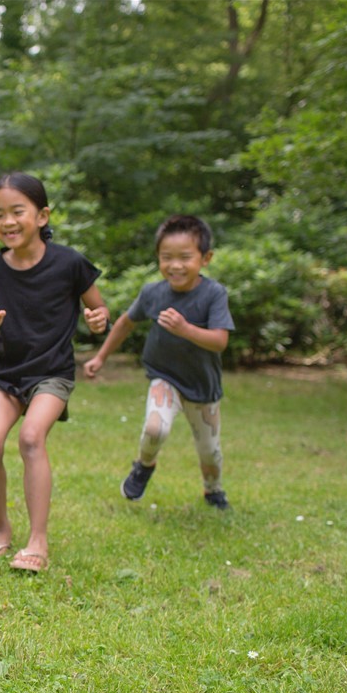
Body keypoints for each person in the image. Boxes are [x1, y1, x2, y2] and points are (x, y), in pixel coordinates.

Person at [0, 172, 109, 572]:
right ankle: (1, 530)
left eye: (18, 212)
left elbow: (99, 308)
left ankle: (38, 541)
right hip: (8, 373)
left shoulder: (70, 263)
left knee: (32, 437)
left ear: (42, 215)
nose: (7, 222)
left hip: (52, 373)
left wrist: (98, 320)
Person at [83, 214, 234, 510]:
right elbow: (126, 322)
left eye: (185, 257)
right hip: (164, 376)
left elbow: (220, 340)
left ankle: (213, 491)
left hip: (203, 387)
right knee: (155, 428)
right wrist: (101, 357)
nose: (175, 265)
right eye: (167, 257)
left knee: (209, 452)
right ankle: (144, 465)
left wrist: (185, 329)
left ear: (206, 258)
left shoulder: (213, 294)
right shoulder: (153, 292)